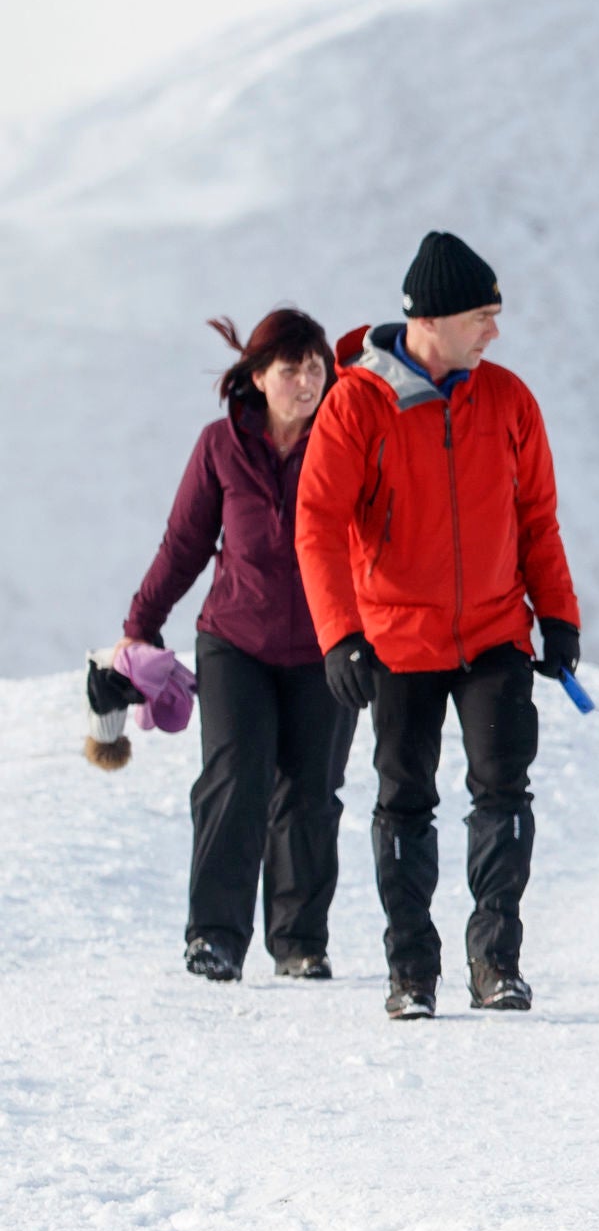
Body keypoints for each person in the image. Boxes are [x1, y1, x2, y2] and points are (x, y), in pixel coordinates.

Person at [293, 233, 581, 1019]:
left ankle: (497, 963)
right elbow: (316, 524)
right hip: (396, 640)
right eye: (484, 315)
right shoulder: (357, 403)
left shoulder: (509, 399)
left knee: (503, 791)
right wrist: (339, 635)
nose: (495, 331)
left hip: (495, 634)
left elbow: (537, 518)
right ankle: (411, 973)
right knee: (404, 802)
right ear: (438, 318)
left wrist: (557, 613)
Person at [119, 309, 347, 982]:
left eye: (317, 368)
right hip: (234, 642)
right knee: (235, 777)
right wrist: (140, 626)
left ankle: (300, 942)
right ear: (257, 375)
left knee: (311, 791)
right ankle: (214, 936)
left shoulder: (345, 440)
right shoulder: (219, 446)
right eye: (291, 369)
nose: (307, 382)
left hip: (324, 647)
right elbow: (184, 545)